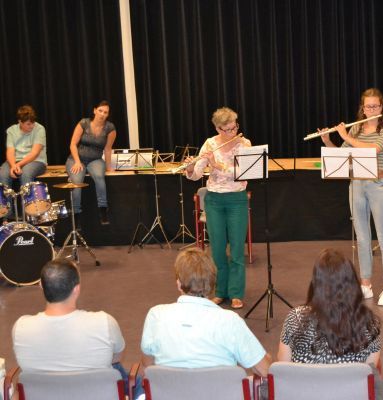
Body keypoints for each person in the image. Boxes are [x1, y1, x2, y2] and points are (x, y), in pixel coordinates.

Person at [11, 258, 142, 398]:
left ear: (41, 286)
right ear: (76, 289)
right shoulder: (104, 322)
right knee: (131, 377)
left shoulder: (21, 328)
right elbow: (116, 357)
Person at [140, 248, 271, 377]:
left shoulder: (156, 316)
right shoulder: (230, 321)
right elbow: (265, 371)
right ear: (213, 283)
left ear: (179, 284)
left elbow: (147, 366)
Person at [321, 88, 383, 306]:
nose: (371, 110)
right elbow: (342, 154)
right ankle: (366, 284)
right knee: (362, 238)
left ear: (381, 107)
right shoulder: (356, 128)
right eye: (367, 106)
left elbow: (374, 149)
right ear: (362, 108)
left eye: (375, 106)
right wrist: (328, 141)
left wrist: (346, 136)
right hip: (356, 185)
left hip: (378, 184)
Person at [185, 107, 251, 309]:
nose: (232, 132)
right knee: (218, 249)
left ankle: (236, 292)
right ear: (218, 129)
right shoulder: (210, 144)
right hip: (214, 200)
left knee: (237, 249)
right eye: (227, 129)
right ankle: (221, 291)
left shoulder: (245, 144)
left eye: (234, 127)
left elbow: (244, 172)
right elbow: (196, 175)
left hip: (237, 199)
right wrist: (190, 167)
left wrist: (217, 165)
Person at [278, 248, 381, 365]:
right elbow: (370, 370)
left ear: (316, 282)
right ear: (352, 283)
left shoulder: (295, 319)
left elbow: (283, 365)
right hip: (350, 378)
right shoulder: (368, 323)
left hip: (304, 378)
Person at [66, 100, 116, 226]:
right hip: (76, 159)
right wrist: (77, 162)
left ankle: (103, 210)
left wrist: (109, 167)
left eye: (105, 112)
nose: (102, 114)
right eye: (100, 111)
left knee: (99, 177)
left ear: (108, 114)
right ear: (94, 111)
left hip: (95, 160)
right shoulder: (84, 123)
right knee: (77, 182)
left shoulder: (110, 128)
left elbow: (108, 149)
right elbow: (73, 144)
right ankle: (76, 216)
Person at [0, 105, 47, 220]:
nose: (31, 126)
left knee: (26, 173)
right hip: (15, 161)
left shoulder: (40, 129)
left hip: (36, 161)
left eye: (33, 123)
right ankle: (7, 215)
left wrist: (18, 165)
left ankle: (29, 214)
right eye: (28, 124)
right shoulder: (11, 130)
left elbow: (35, 153)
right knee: (3, 174)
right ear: (20, 122)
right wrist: (13, 165)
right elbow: (10, 151)